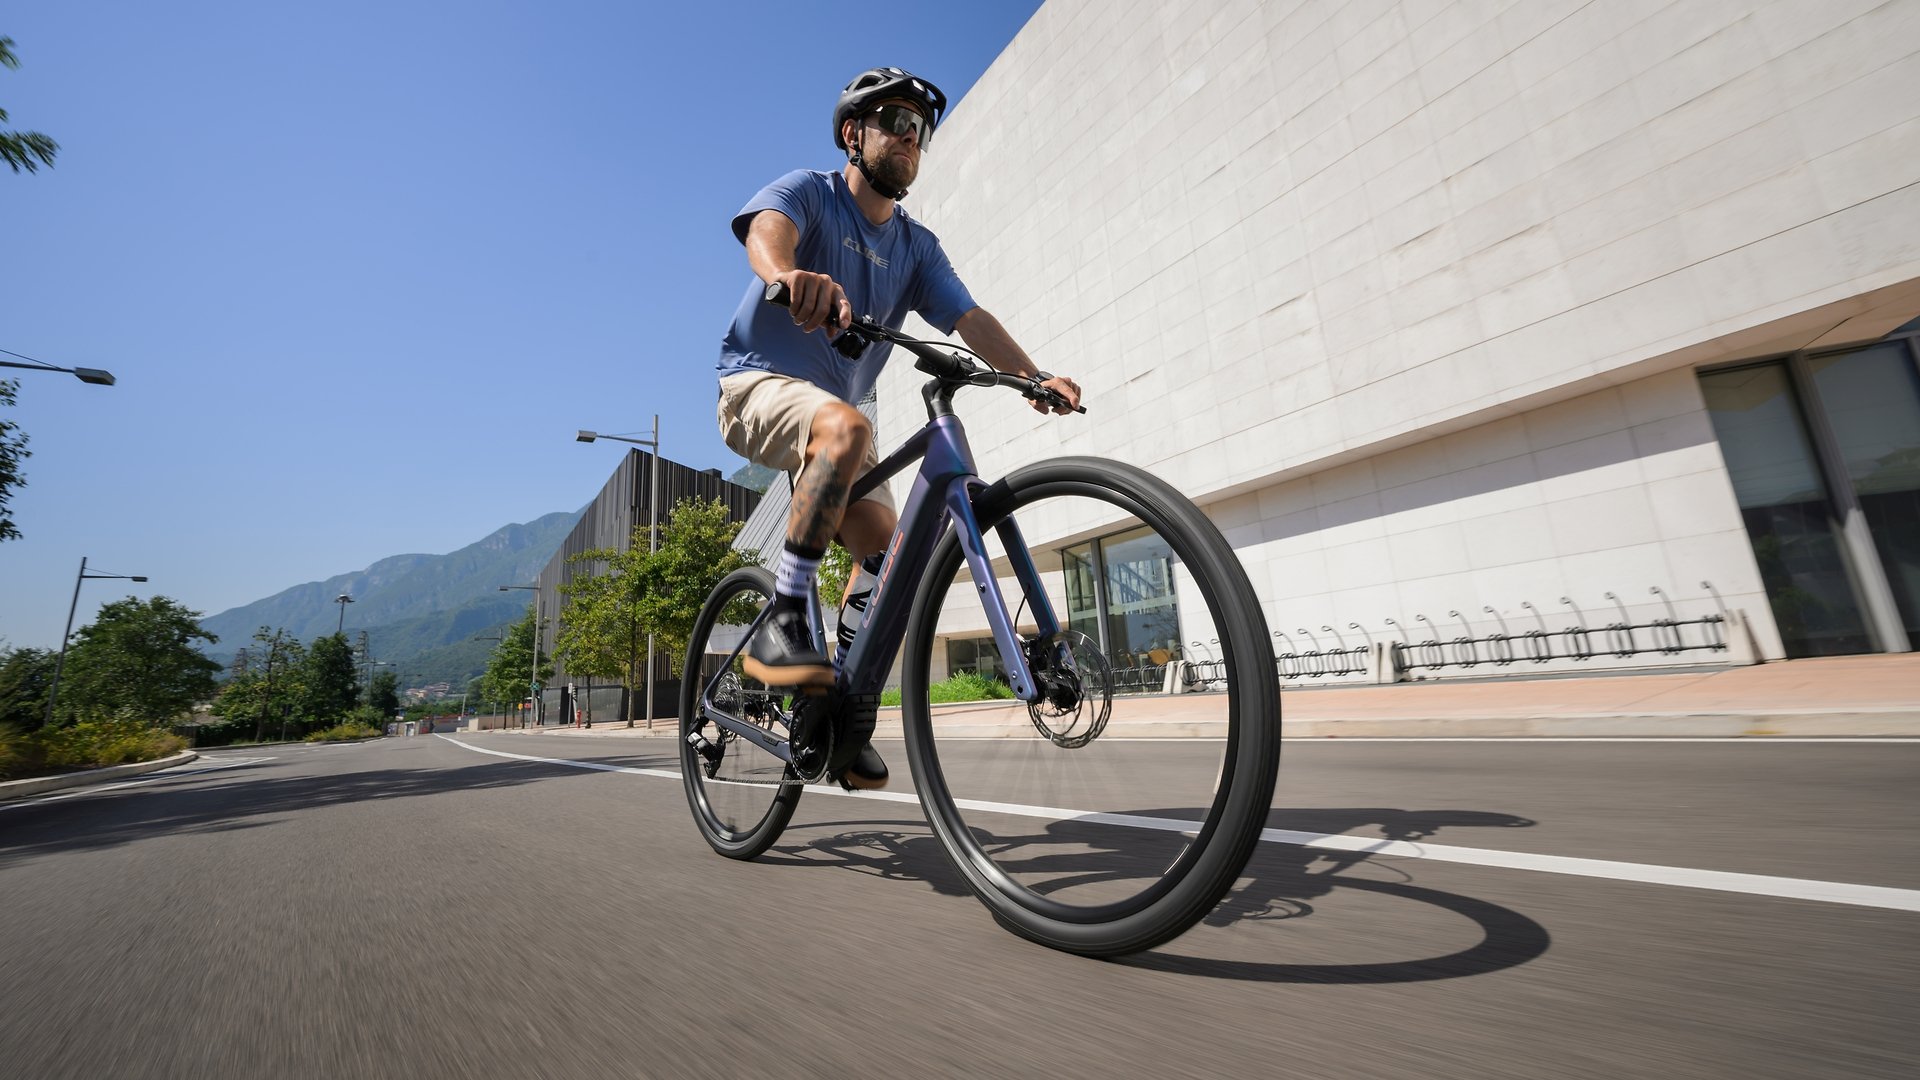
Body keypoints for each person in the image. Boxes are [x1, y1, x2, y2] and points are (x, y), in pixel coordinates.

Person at [714, 66, 1082, 789]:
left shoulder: (915, 247)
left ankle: (832, 713)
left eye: (920, 128)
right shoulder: (811, 192)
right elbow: (766, 233)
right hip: (755, 383)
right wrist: (788, 276)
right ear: (854, 133)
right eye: (895, 121)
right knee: (846, 427)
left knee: (891, 564)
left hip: (836, 420)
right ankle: (786, 617)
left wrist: (1032, 375)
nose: (910, 136)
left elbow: (968, 317)